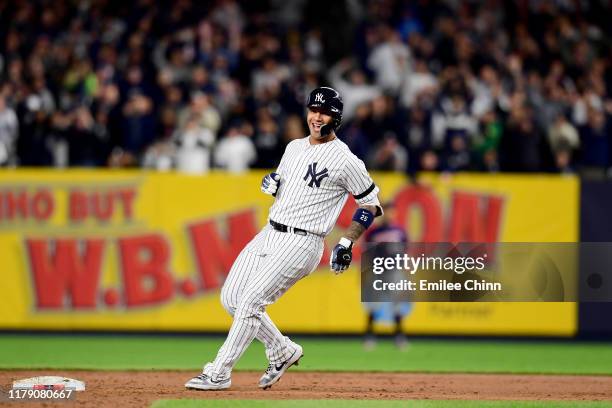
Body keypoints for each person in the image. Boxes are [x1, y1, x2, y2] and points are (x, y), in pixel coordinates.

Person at [185, 86, 383, 391]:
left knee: (250, 302)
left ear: (336, 117)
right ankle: (282, 350)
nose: (317, 117)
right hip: (270, 231)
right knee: (231, 298)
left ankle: (219, 371)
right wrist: (274, 185)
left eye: (324, 112)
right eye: (313, 110)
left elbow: (370, 204)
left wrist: (346, 242)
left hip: (303, 241)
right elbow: (286, 187)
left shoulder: (346, 160)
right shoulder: (293, 147)